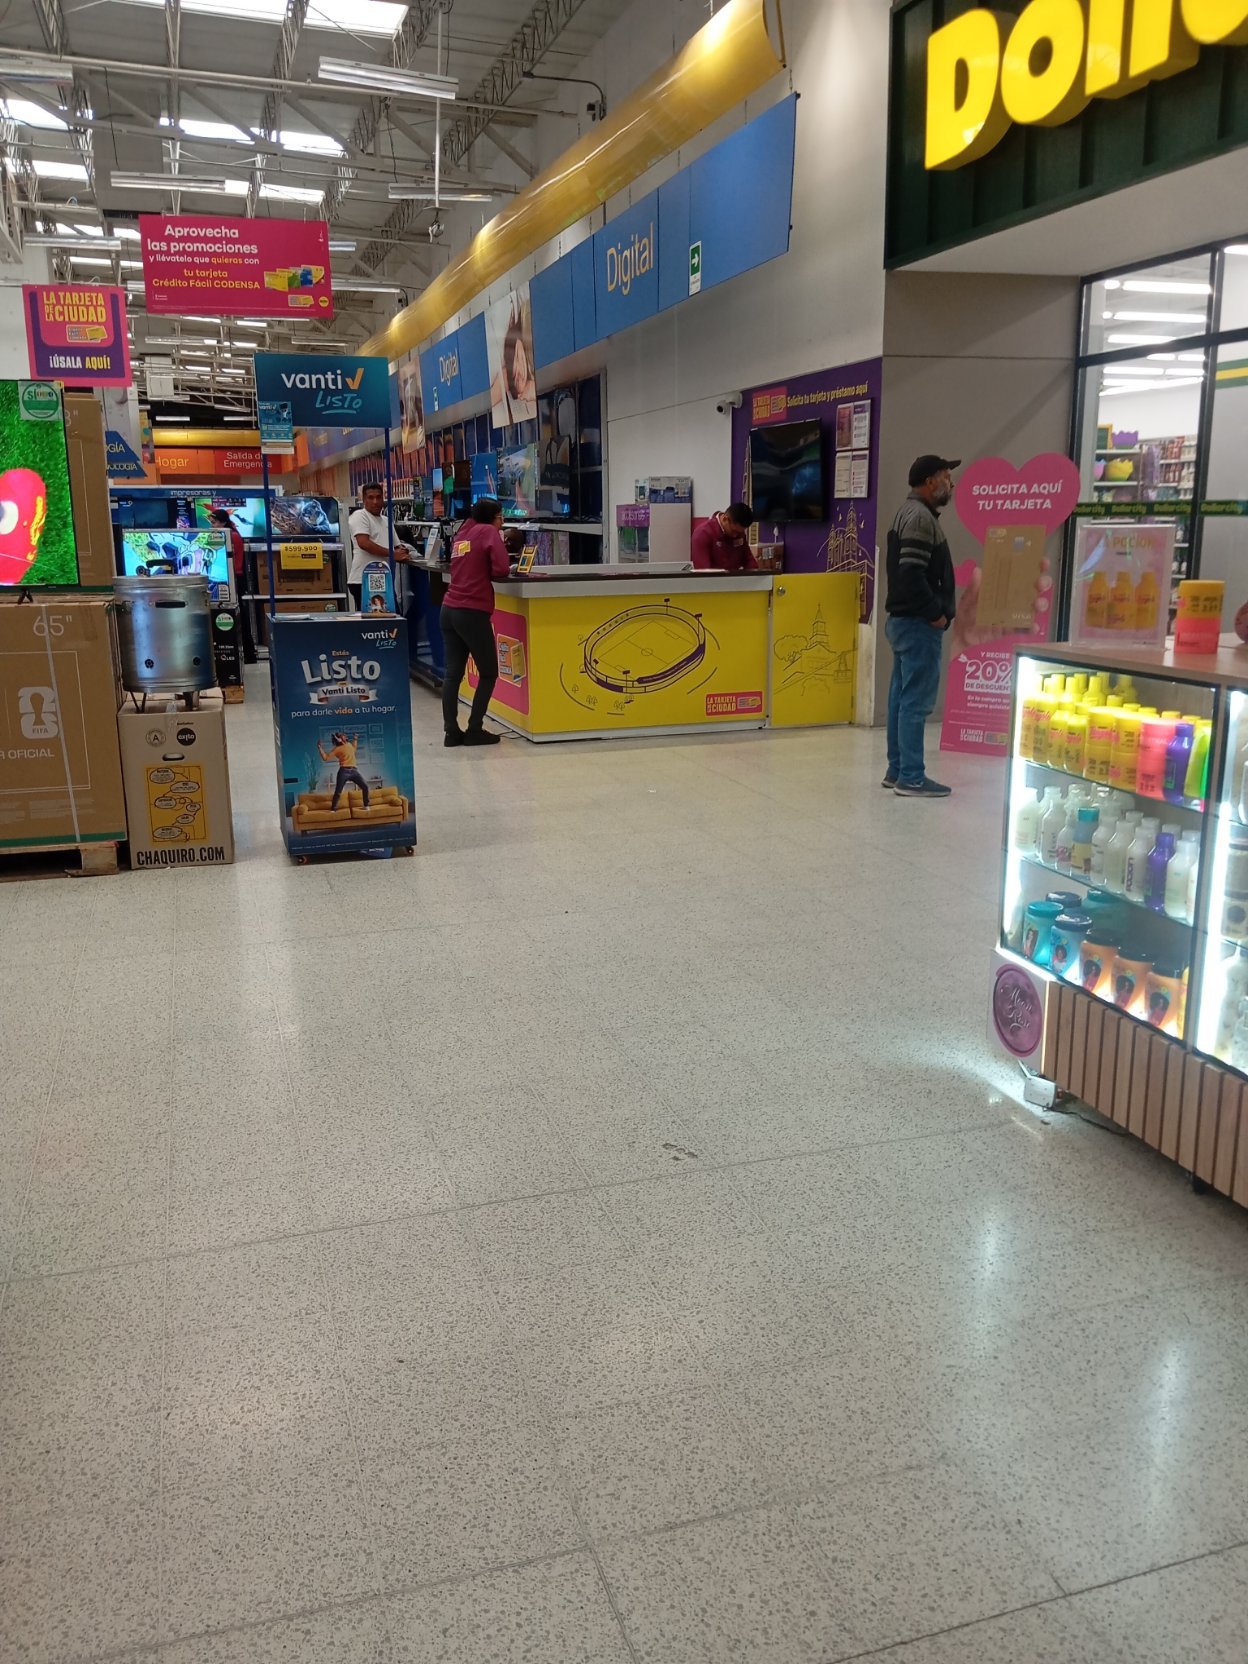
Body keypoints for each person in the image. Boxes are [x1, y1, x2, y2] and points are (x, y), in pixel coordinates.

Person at [883, 454, 960, 799]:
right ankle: (912, 777)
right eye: (946, 477)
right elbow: (912, 574)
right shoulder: (919, 517)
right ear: (930, 482)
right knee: (915, 702)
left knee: (901, 699)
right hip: (917, 624)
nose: (951, 483)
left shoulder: (909, 512)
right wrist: (935, 614)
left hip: (903, 622)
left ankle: (897, 770)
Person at [441, 497, 513, 748]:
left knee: (453, 674)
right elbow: (501, 569)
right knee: (489, 672)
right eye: (501, 517)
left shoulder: (464, 532)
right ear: (494, 517)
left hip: (448, 609)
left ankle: (451, 732)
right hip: (472, 611)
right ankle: (474, 730)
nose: (502, 522)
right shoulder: (488, 532)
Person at [347, 483, 413, 611]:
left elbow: (397, 546)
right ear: (364, 499)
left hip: (383, 579)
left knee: (391, 618)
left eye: (378, 497)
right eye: (371, 498)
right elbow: (364, 543)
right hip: (364, 579)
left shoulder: (386, 520)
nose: (375, 502)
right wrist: (392, 554)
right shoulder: (360, 516)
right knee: (375, 621)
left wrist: (403, 551)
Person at [209, 507, 255, 662]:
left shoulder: (231, 536)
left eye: (214, 523)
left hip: (235, 579)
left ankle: (248, 654)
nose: (212, 526)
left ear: (222, 522)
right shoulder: (229, 533)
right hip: (231, 579)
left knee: (239, 615)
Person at [691, 502, 758, 572]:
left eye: (739, 532)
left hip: (735, 577)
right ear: (724, 519)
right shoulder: (702, 534)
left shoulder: (739, 533)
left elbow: (748, 560)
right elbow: (703, 571)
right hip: (714, 578)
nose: (735, 535)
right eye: (734, 531)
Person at [320, 732, 369, 811]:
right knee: (338, 792)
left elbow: (354, 749)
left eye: (344, 735)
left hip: (354, 771)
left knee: (365, 786)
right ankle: (333, 809)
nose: (345, 736)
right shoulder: (337, 749)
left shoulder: (349, 744)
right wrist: (320, 748)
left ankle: (366, 805)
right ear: (339, 738)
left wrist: (355, 739)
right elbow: (326, 758)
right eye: (343, 735)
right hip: (344, 771)